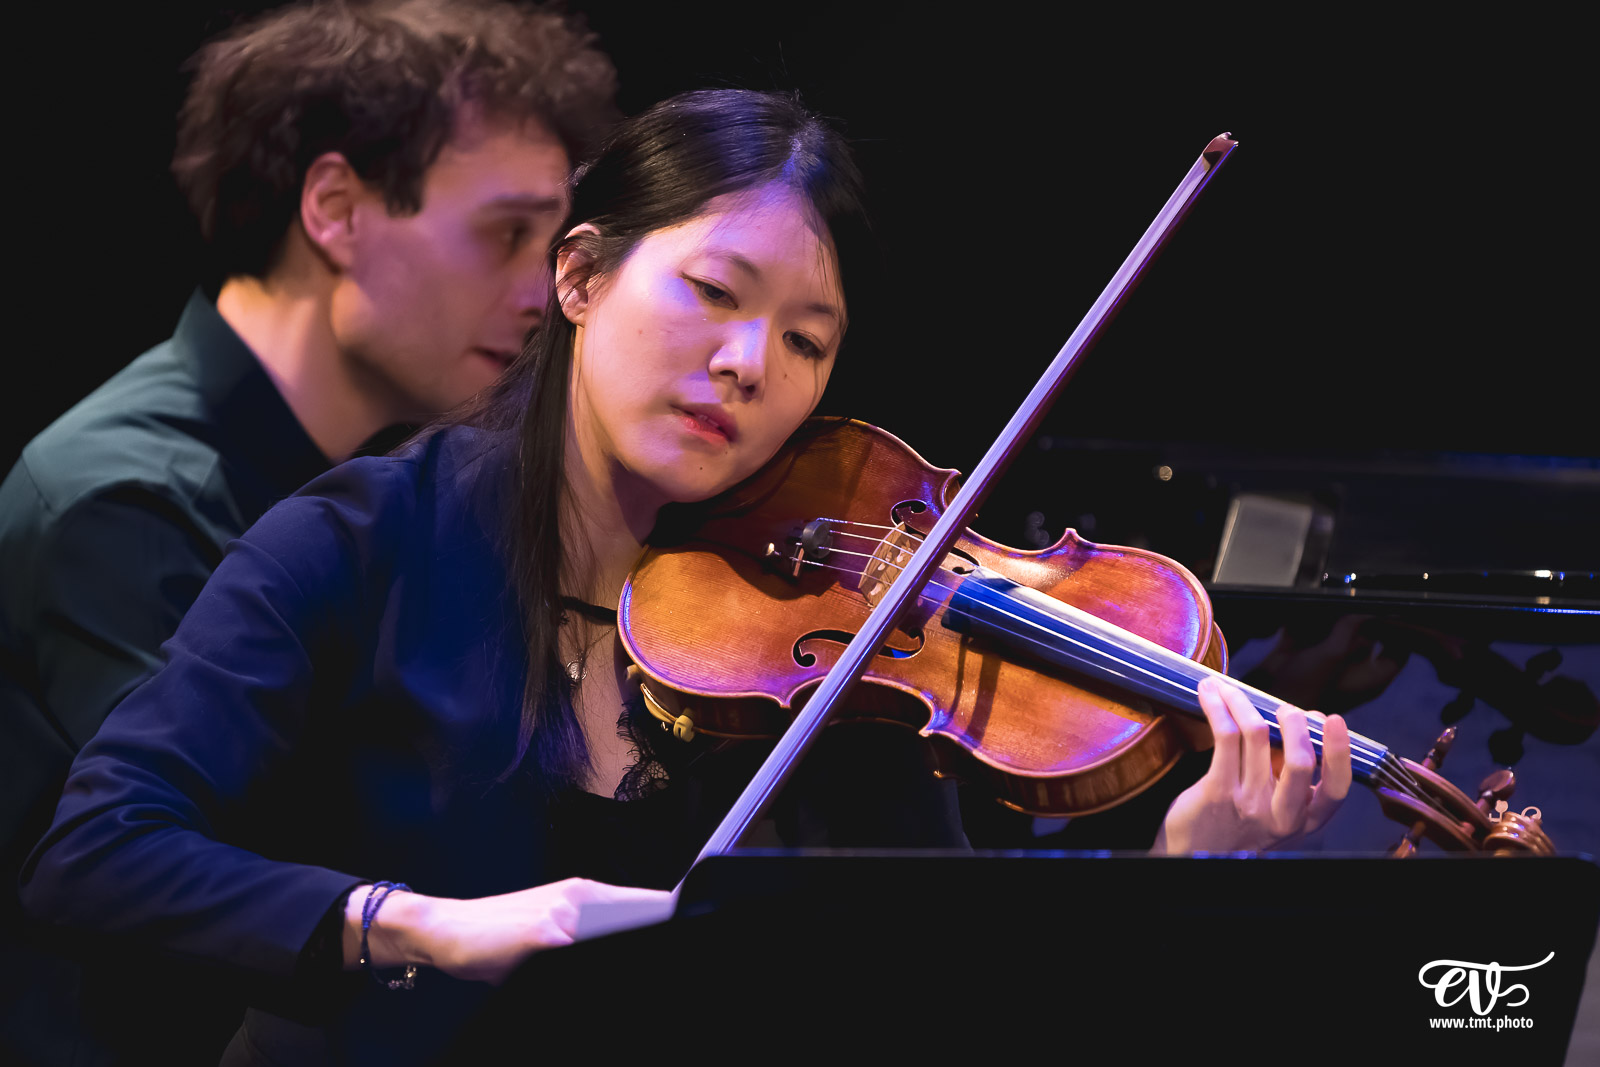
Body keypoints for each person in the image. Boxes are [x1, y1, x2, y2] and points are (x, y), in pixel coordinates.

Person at [19, 89, 1351, 1065]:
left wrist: (1182, 864)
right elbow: (99, 847)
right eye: (715, 290)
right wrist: (416, 923)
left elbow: (949, 980)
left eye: (806, 338)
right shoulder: (360, 538)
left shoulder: (839, 637)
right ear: (583, 275)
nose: (748, 363)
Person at [0, 2, 616, 1062]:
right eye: (505, 235)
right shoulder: (124, 496)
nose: (540, 296)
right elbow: (226, 857)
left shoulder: (388, 480)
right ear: (335, 207)